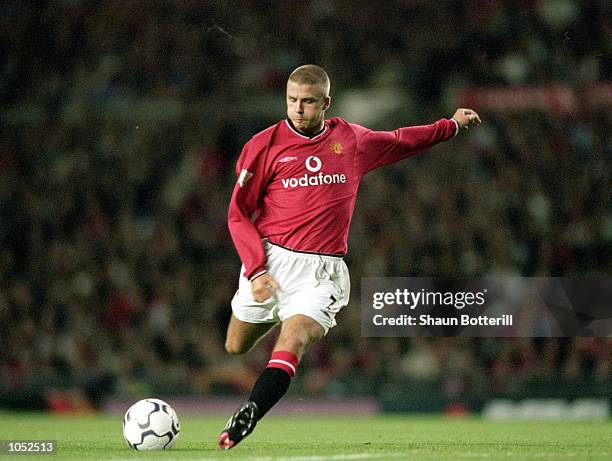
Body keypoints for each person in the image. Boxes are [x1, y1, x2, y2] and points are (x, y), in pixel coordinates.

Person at [218, 64, 481, 449]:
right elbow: (239, 214)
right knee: (235, 346)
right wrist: (256, 270)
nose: (298, 109)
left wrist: (451, 126)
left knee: (296, 335)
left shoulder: (350, 140)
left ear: (326, 103)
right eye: (292, 101)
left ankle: (249, 413)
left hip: (320, 271)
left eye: (308, 102)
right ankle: (264, 337)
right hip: (270, 262)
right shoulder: (263, 146)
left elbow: (402, 139)